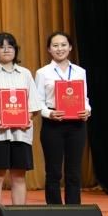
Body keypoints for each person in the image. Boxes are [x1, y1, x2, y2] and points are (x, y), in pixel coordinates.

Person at [0, 32, 43, 211]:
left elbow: (34, 105)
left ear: (15, 50)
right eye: (1, 47)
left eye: (10, 46)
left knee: (19, 176)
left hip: (21, 133)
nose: (6, 50)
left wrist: (26, 118)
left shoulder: (25, 74)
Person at [35, 31, 91, 205]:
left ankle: (74, 211)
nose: (60, 49)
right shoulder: (43, 73)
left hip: (77, 125)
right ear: (49, 49)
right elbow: (38, 102)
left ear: (70, 47)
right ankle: (54, 210)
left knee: (74, 172)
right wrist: (49, 113)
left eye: (63, 45)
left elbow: (85, 98)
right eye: (55, 45)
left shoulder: (80, 71)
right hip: (53, 124)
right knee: (53, 172)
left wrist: (87, 110)